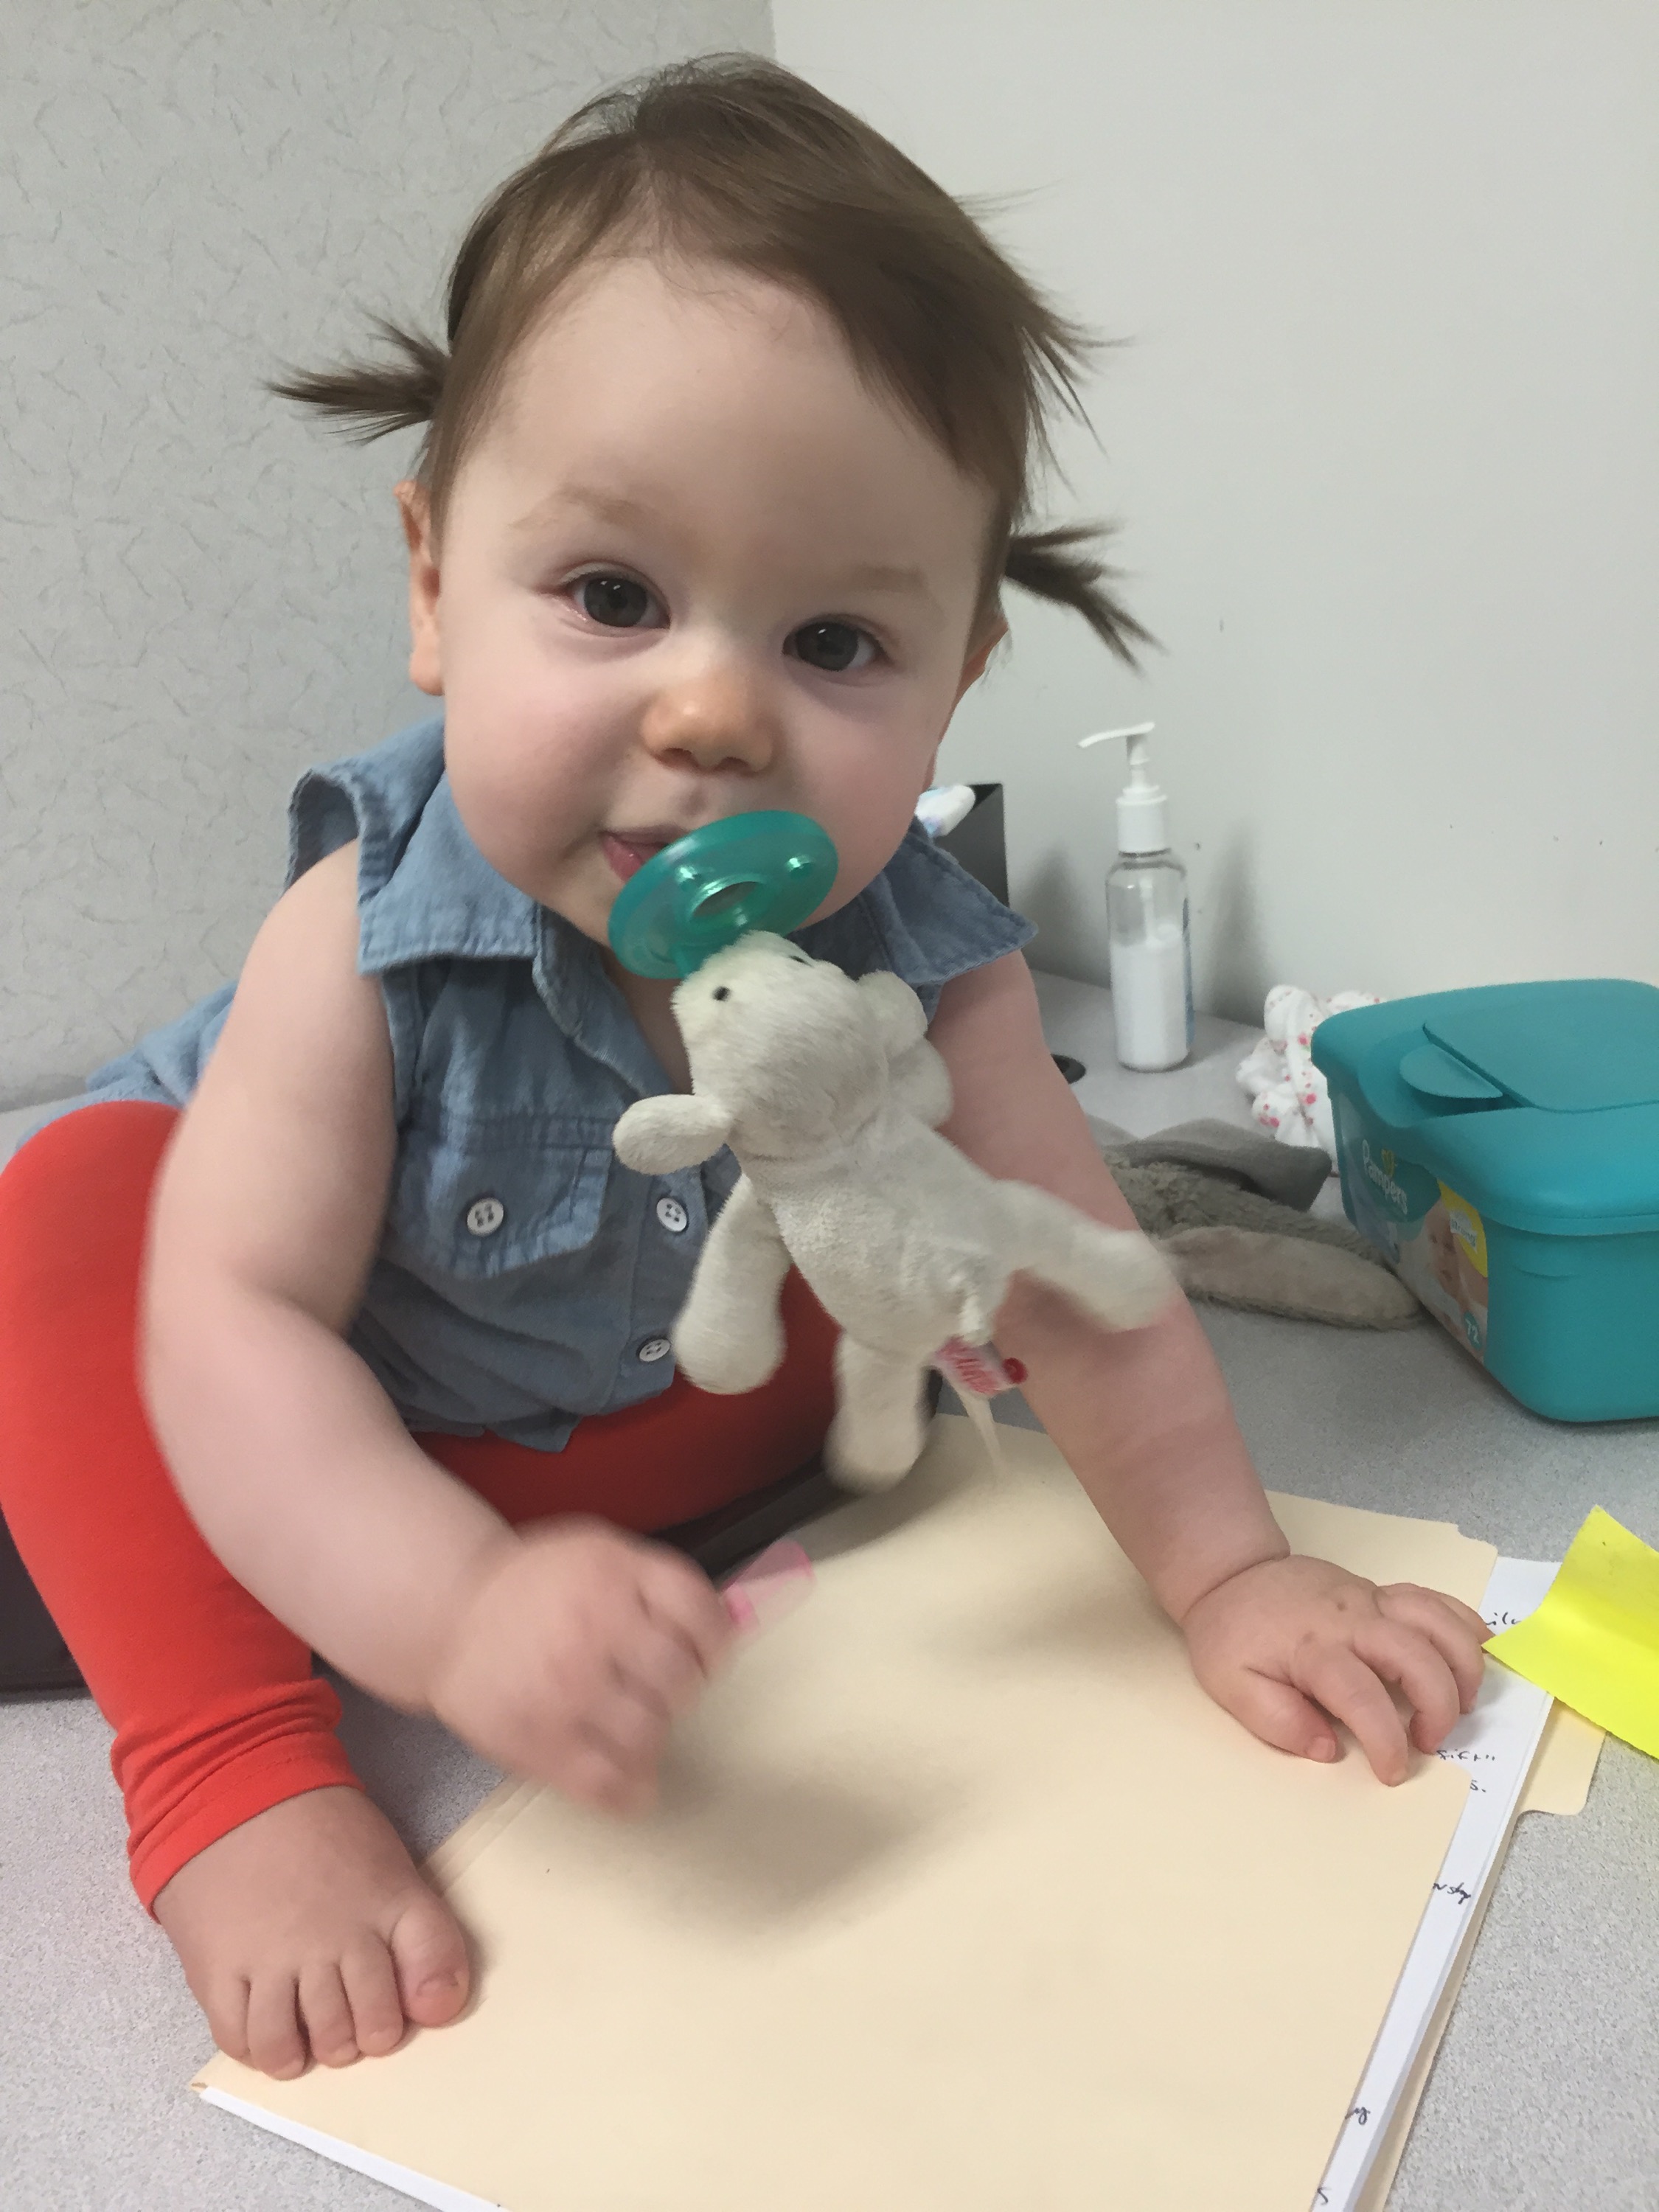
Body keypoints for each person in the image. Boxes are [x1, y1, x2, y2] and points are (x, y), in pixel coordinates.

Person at [0, 57, 1487, 2083]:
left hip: (681, 1445)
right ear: (434, 590)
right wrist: (447, 1619)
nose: (712, 713)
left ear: (955, 678)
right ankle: (228, 1769)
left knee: (970, 1239)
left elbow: (1073, 1288)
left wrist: (1229, 1571)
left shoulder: (933, 966)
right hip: (355, 1445)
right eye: (611, 598)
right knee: (81, 1217)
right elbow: (240, 1340)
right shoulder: (356, 944)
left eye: (836, 644)